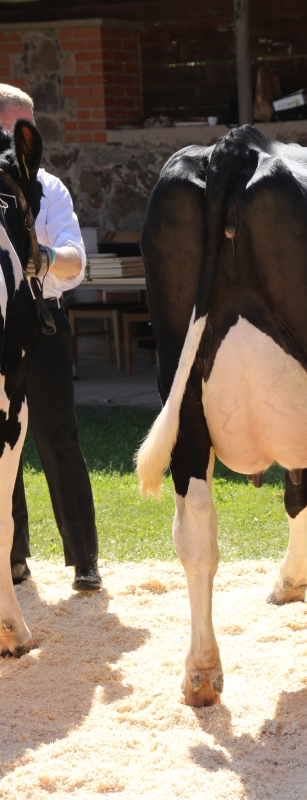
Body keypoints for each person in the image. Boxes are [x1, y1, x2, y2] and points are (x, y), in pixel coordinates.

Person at [0, 84, 102, 592]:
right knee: (3, 447)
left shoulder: (51, 188)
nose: (23, 140)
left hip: (43, 320)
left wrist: (39, 257)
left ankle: (84, 560)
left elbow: (77, 263)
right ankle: (13, 560)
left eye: (28, 130)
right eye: (13, 129)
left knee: (59, 438)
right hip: (1, 326)